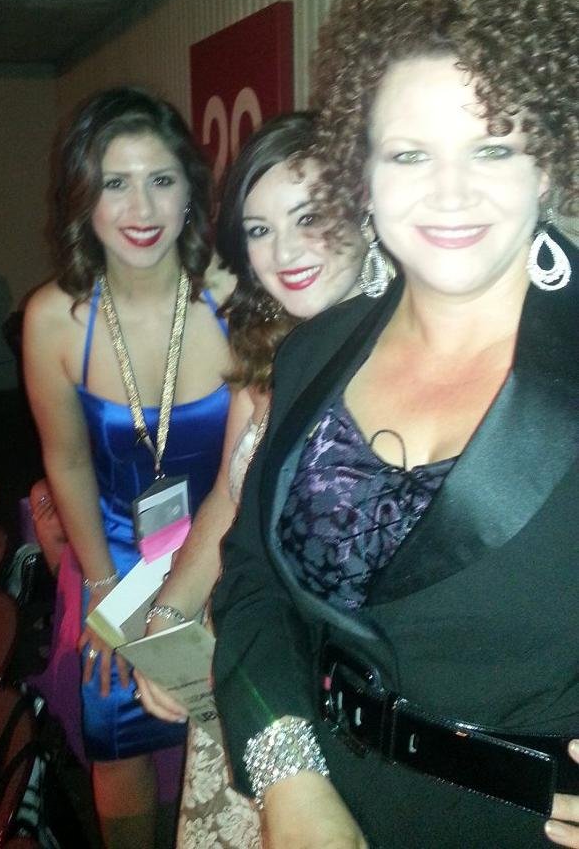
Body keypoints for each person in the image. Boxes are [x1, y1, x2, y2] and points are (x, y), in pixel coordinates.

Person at [211, 0, 579, 849]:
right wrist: (288, 775)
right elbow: (253, 582)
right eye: (409, 155)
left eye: (493, 148)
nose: (450, 193)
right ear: (362, 175)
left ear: (548, 161)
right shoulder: (315, 354)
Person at [134, 113, 367, 848]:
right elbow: (228, 499)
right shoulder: (267, 349)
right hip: (243, 664)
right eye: (260, 230)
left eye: (310, 217)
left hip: (344, 705)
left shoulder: (406, 354)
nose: (285, 252)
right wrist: (168, 614)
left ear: (365, 207)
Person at [22, 87, 233, 848]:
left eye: (161, 179)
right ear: (84, 198)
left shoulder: (235, 297)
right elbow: (67, 460)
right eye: (116, 182)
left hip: (222, 553)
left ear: (190, 193)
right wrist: (104, 594)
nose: (141, 208)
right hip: (111, 553)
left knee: (227, 743)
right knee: (118, 732)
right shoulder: (55, 317)